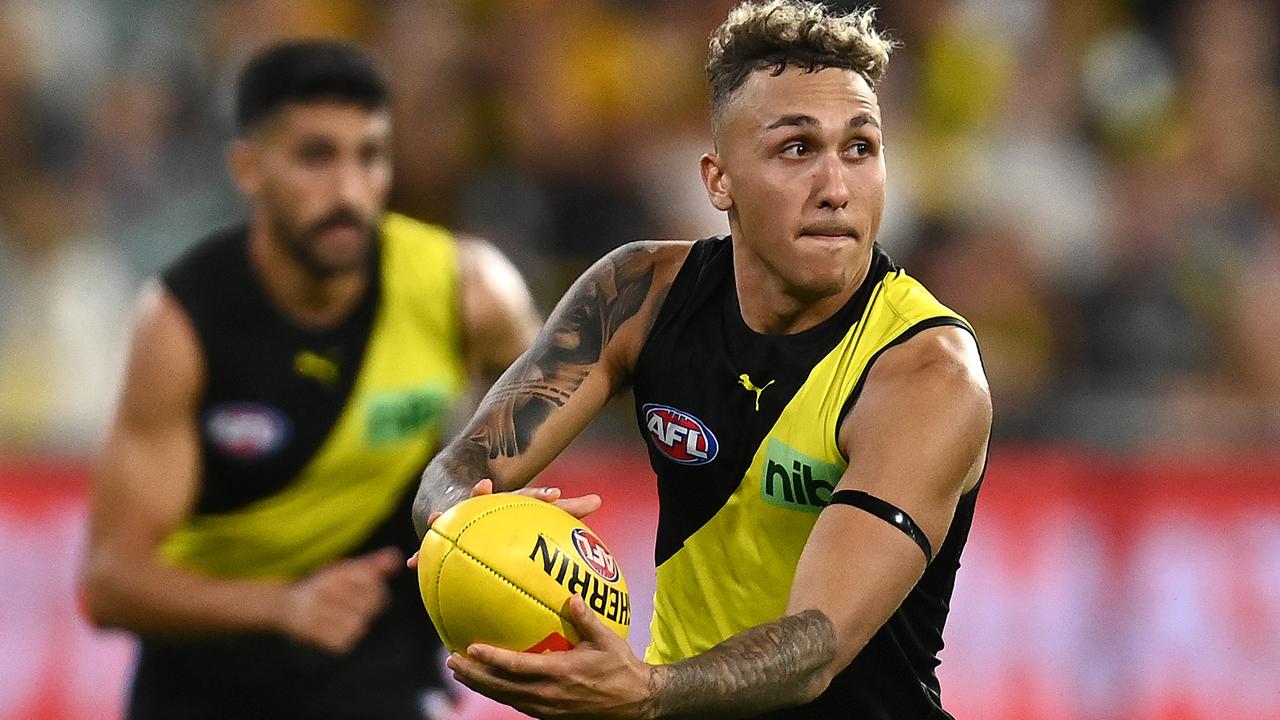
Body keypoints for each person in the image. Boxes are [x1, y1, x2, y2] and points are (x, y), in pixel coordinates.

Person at [410, 1, 992, 718]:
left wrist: (647, 691)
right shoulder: (637, 295)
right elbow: (458, 468)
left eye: (860, 149)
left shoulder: (926, 374)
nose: (837, 188)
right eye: (796, 149)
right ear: (718, 181)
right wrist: (460, 524)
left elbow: (816, 646)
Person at [79, 40, 540, 719]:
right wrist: (285, 605)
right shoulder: (182, 323)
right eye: (316, 156)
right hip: (204, 679)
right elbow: (110, 584)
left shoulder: (469, 293)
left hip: (379, 659)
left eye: (370, 155)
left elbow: (540, 437)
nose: (349, 189)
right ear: (249, 169)